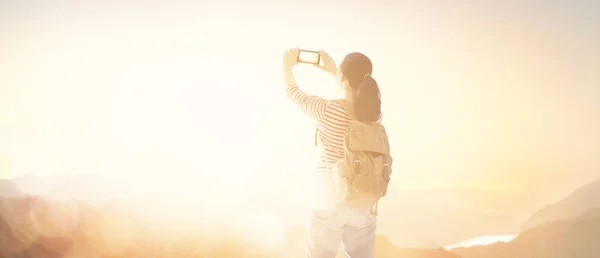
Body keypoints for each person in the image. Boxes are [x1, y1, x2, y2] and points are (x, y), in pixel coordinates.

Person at [282, 48, 384, 258]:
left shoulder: (327, 109)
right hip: (363, 200)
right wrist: (333, 70)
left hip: (328, 197)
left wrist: (287, 65)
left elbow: (292, 92)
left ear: (343, 77)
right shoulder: (375, 115)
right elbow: (354, 90)